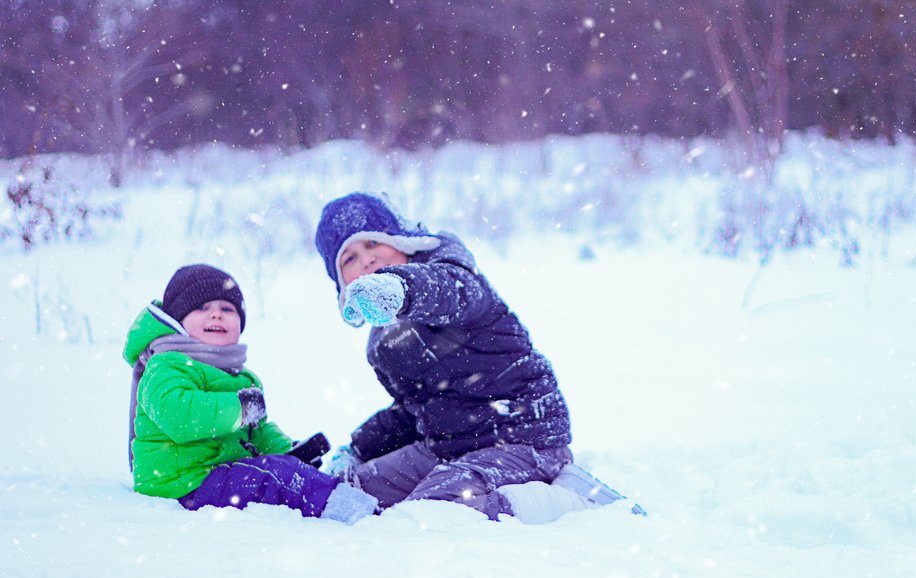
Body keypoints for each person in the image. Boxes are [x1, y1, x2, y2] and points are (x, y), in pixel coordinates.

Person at [314, 192, 631, 523]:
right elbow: (413, 409)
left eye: (373, 243)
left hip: (522, 439)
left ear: (401, 240)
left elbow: (449, 290)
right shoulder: (383, 343)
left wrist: (402, 289)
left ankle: (569, 500)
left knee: (435, 511)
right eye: (349, 259)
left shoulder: (448, 270)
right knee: (351, 494)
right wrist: (358, 449)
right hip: (446, 448)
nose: (366, 260)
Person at [123, 263, 376, 523]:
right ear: (179, 321)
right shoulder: (165, 364)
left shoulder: (242, 377)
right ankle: (351, 512)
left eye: (227, 309)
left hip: (218, 474)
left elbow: (256, 431)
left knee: (283, 469)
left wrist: (288, 452)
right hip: (179, 483)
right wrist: (239, 409)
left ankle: (345, 498)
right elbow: (180, 417)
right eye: (202, 308)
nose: (216, 315)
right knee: (274, 476)